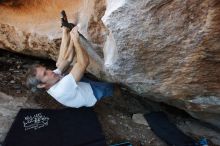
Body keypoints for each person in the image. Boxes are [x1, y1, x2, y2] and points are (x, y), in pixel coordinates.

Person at [26, 10, 120, 108]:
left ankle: (65, 29)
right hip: (91, 93)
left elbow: (68, 59)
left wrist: (67, 33)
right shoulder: (62, 89)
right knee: (111, 88)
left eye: (46, 70)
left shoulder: (52, 79)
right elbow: (83, 63)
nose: (49, 71)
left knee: (59, 64)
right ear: (41, 85)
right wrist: (76, 40)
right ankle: (116, 94)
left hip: (76, 85)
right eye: (45, 74)